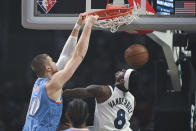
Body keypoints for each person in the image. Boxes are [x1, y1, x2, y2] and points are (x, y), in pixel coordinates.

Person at [22, 14, 99, 131]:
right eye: (52, 61)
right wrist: (88, 25)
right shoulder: (54, 83)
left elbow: (65, 56)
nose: (55, 62)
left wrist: (78, 25)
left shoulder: (40, 82)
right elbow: (78, 56)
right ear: (48, 68)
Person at [63, 69, 136, 131]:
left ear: (122, 80)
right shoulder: (133, 101)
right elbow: (111, 125)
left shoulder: (105, 92)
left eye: (124, 72)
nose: (122, 69)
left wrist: (60, 92)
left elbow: (74, 93)